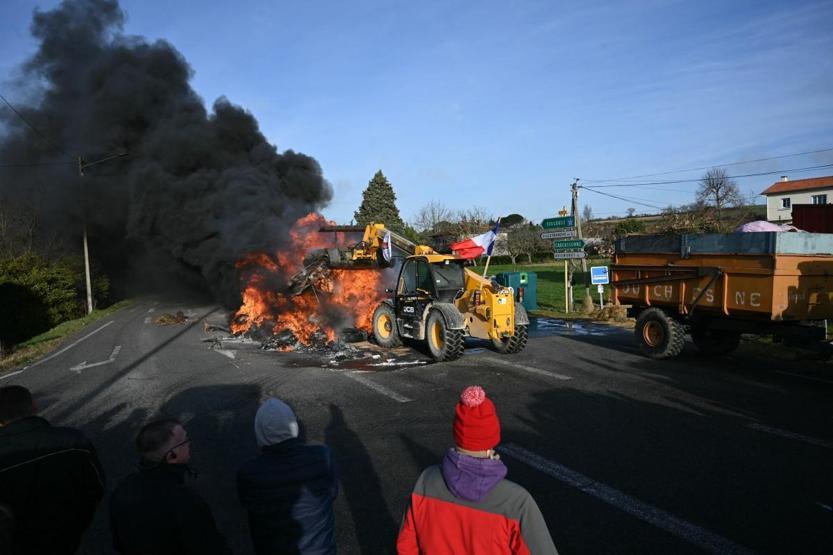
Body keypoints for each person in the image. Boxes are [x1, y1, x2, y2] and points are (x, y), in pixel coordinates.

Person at [397, 385, 558, 554]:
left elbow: (406, 546)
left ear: (457, 435)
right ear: (491, 441)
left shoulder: (425, 482)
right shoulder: (517, 502)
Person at [0, 385, 105, 555]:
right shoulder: (73, 439)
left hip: (20, 540)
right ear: (34, 405)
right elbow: (97, 486)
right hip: (71, 527)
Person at [109, 418, 232, 555]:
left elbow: (119, 543)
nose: (190, 443)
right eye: (186, 440)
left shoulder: (121, 491)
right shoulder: (186, 502)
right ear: (171, 456)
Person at [237, 397, 338, 554]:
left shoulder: (249, 472)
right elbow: (332, 492)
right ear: (294, 426)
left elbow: (248, 505)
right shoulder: (322, 456)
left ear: (260, 432)